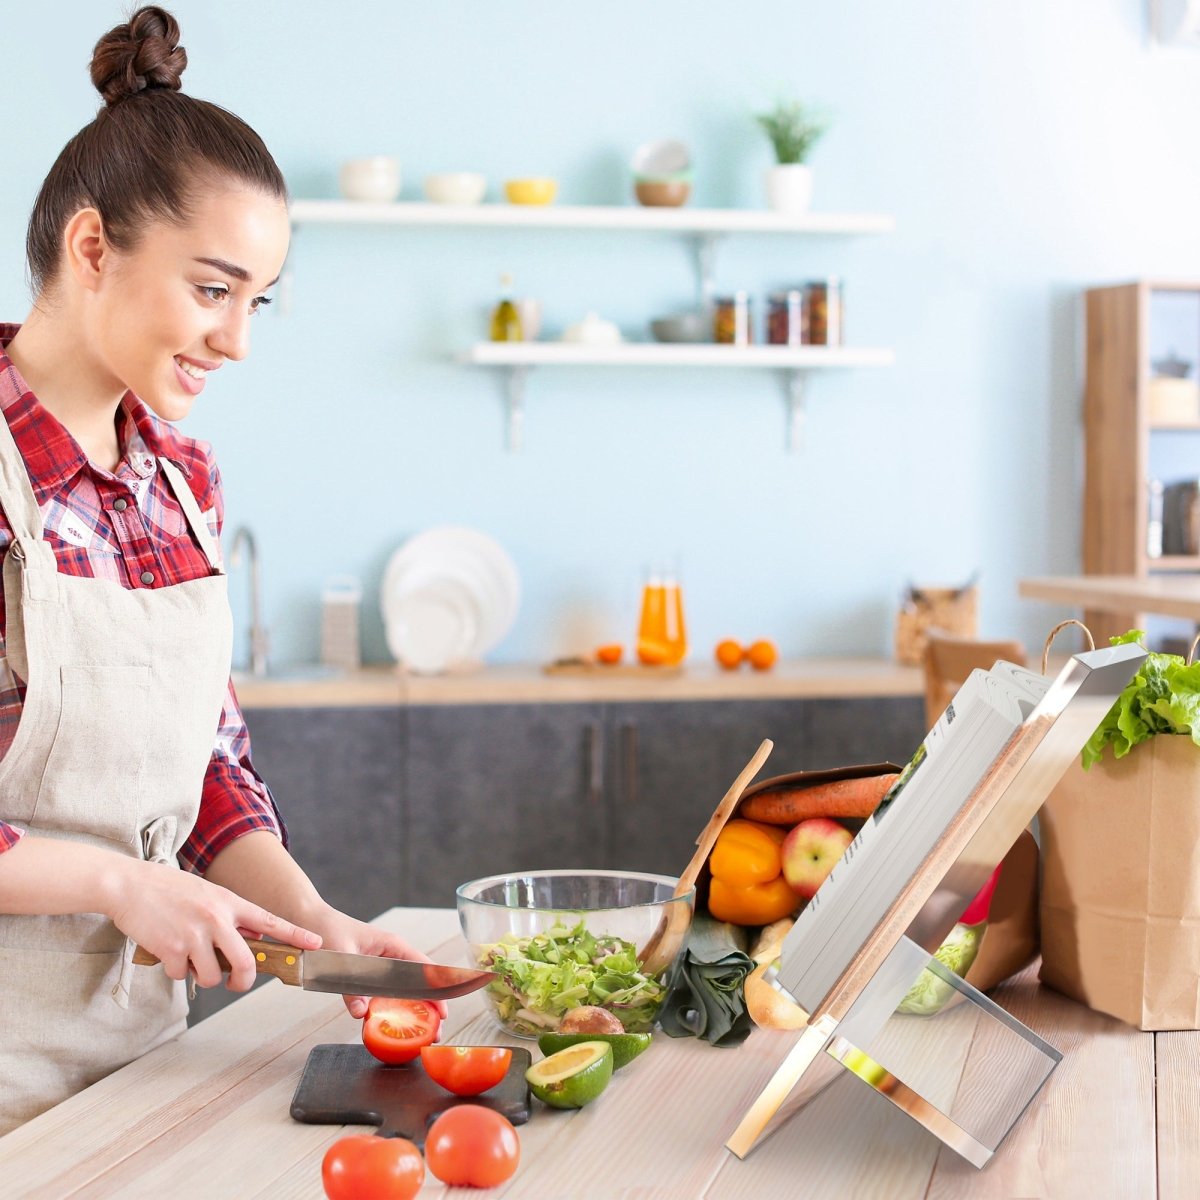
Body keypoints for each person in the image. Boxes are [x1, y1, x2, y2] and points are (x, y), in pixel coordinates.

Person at [0, 7, 437, 1135]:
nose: (239, 340)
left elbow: (204, 765)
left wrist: (312, 924)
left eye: (260, 301)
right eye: (213, 290)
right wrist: (115, 884)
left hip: (132, 1071)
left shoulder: (181, 483)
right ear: (92, 249)